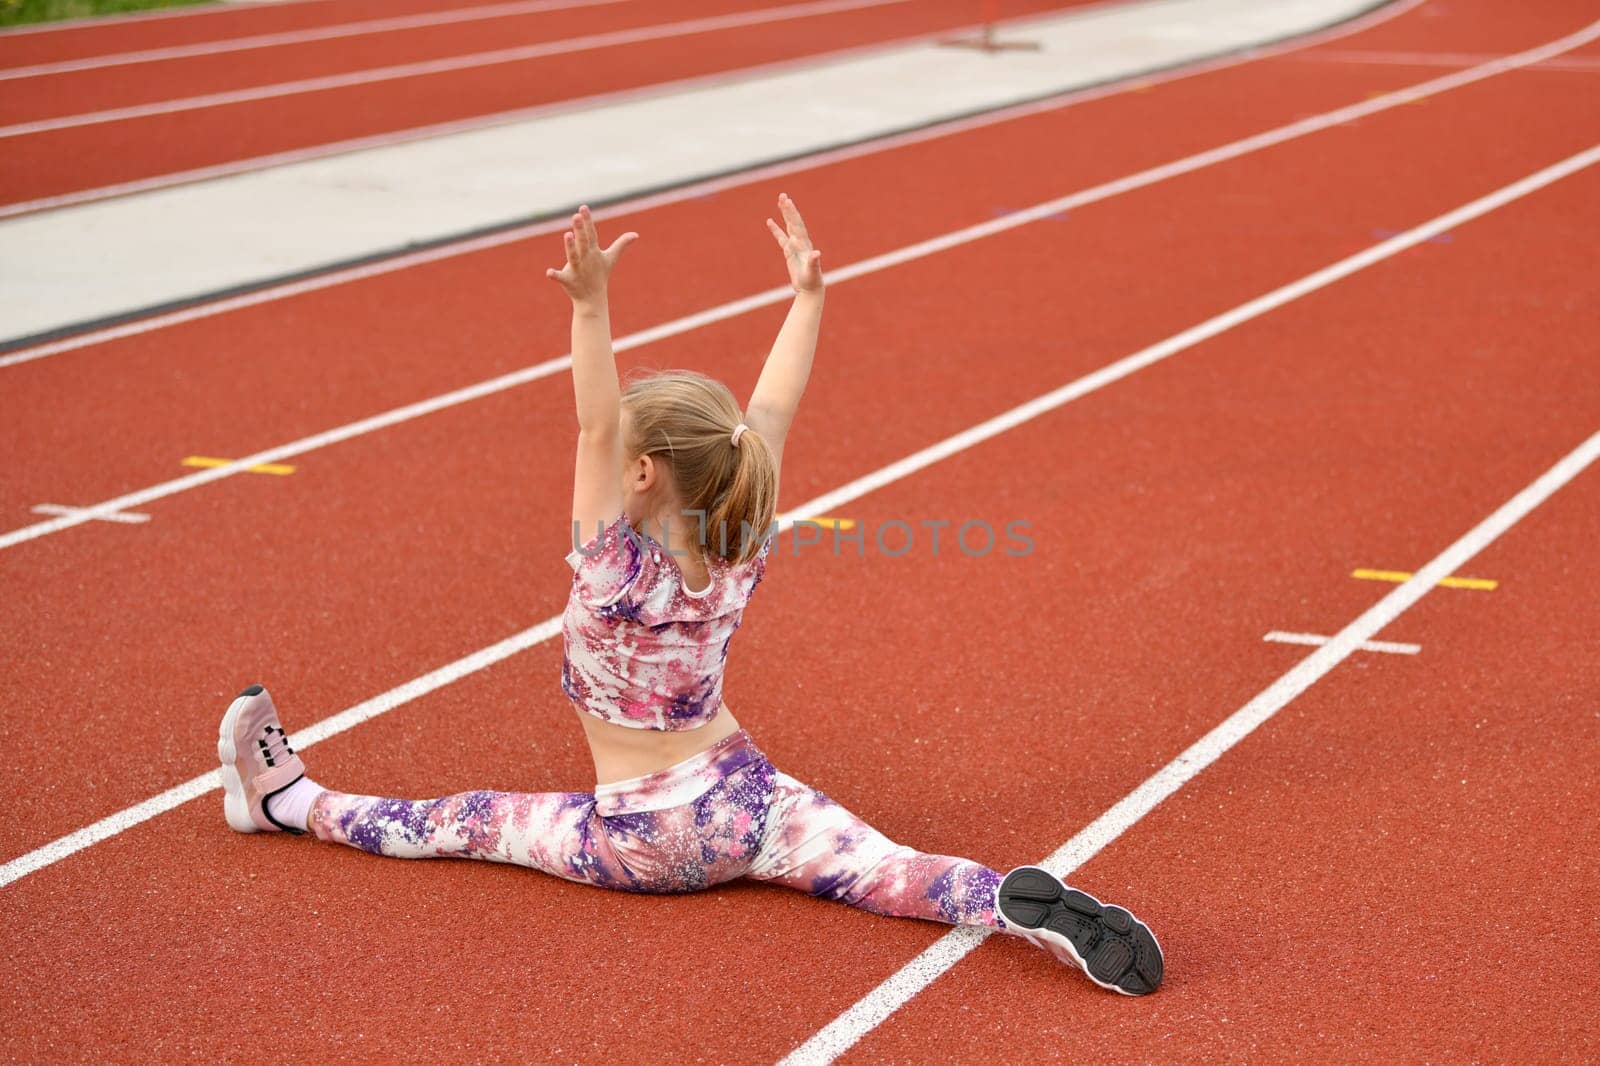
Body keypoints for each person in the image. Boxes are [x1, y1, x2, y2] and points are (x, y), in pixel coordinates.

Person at [217, 195, 1163, 996]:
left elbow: (592, 424)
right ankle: (994, 898)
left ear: (636, 476)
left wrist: (590, 307)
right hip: (753, 801)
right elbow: (768, 417)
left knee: (457, 823)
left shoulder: (610, 568)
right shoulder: (740, 542)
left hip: (642, 838)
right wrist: (808, 297)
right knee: (885, 871)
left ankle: (285, 801)